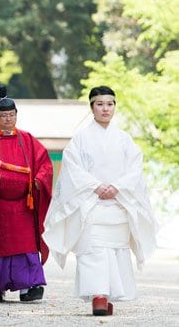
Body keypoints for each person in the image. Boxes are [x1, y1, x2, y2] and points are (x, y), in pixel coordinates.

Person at [43, 86, 157, 316]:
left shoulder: (124, 139)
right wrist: (95, 186)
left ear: (114, 106)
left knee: (115, 252)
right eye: (100, 104)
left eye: (110, 104)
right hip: (91, 203)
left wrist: (117, 187)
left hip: (118, 203)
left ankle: (109, 294)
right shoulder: (80, 139)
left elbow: (135, 168)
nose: (105, 109)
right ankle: (98, 295)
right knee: (93, 249)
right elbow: (72, 169)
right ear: (92, 107)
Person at [0, 96, 53, 303]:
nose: (8, 119)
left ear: (16, 115)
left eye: (11, 115)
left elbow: (45, 166)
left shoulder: (27, 139)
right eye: (4, 116)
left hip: (24, 204)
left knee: (25, 246)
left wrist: (37, 182)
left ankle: (28, 288)